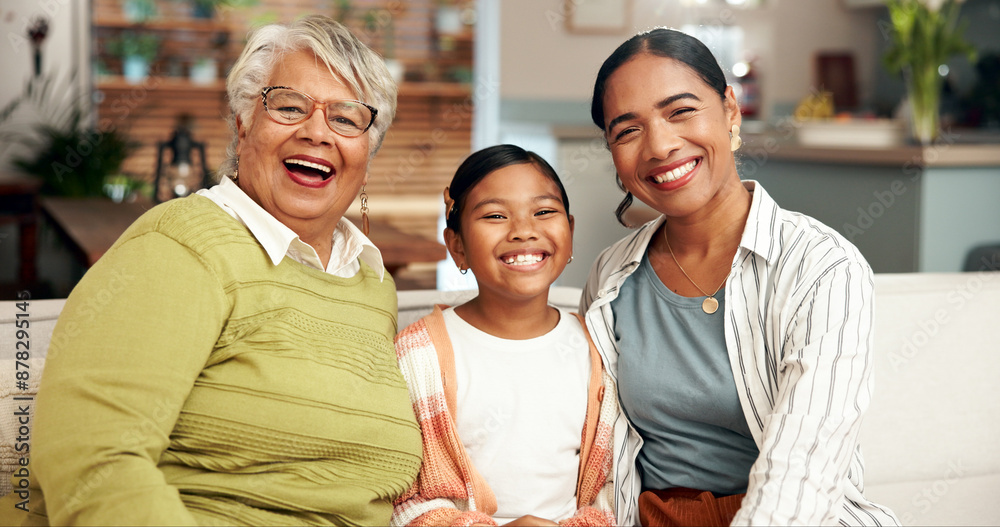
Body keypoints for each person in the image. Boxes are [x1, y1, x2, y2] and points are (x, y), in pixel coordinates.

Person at [15, 15, 422, 526]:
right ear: (242, 123)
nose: (317, 132)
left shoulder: (370, 284)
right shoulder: (180, 246)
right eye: (289, 107)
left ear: (368, 149)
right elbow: (92, 457)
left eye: (346, 118)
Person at [580, 28, 900, 526]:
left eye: (681, 111)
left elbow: (804, 474)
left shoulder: (821, 266)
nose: (661, 145)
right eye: (627, 130)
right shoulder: (610, 278)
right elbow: (597, 454)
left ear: (730, 111)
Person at [392, 145, 616, 527]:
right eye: (495, 215)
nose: (524, 231)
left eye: (544, 211)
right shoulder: (419, 355)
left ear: (570, 231)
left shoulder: (600, 346)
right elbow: (404, 498)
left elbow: (612, 488)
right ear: (457, 245)